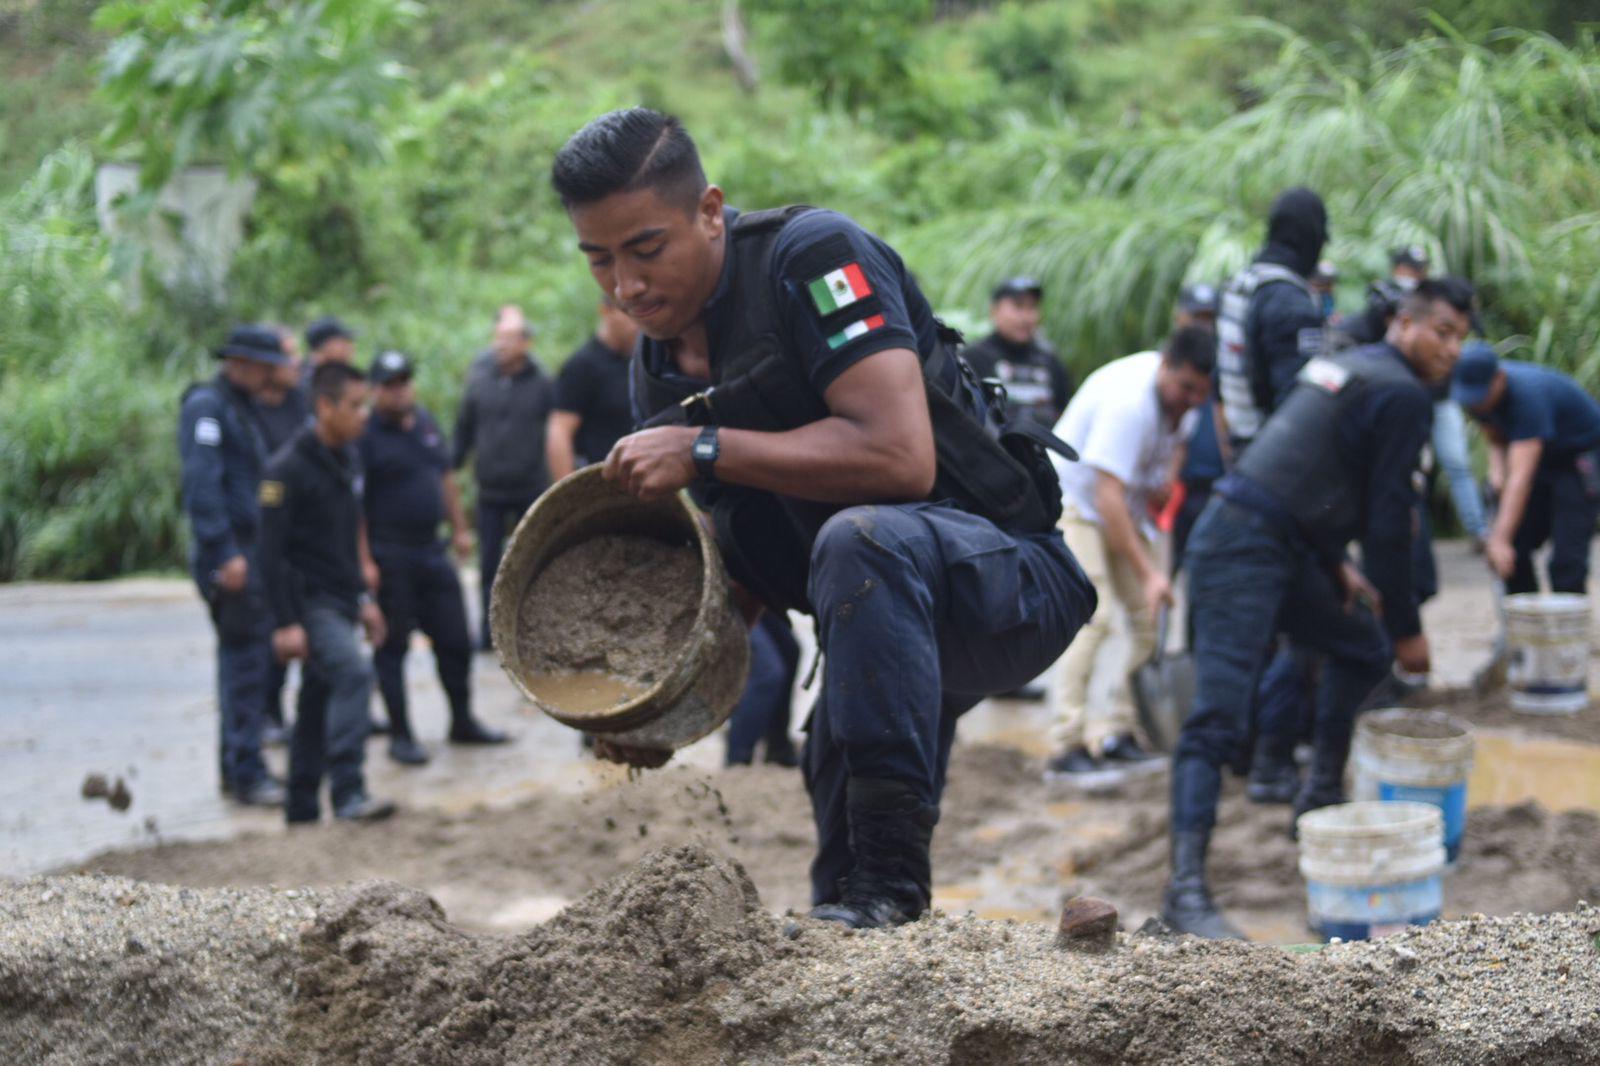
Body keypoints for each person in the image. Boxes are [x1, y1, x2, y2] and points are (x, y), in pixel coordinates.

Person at [552, 107, 1095, 929]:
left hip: (1007, 582)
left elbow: (900, 459)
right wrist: (660, 708)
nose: (625, 286)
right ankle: (869, 920)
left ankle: (891, 891)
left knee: (858, 541)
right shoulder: (657, 376)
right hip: (874, 628)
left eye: (647, 249)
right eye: (599, 260)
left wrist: (704, 448)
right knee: (839, 857)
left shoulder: (811, 260)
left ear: (709, 212)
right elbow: (738, 575)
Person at [1163, 277, 1475, 939]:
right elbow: (1389, 525)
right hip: (1240, 544)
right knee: (1217, 718)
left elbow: (1306, 468)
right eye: (1442, 332)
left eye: (1461, 339)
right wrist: (1408, 630)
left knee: (1360, 646)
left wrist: (1335, 564)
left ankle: (1318, 802)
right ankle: (1184, 892)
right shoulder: (1400, 392)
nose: (1451, 349)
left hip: (1290, 543)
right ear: (1405, 323)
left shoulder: (1353, 366)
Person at [1044, 327, 1215, 785]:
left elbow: (1179, 443)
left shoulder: (1185, 402)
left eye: (1201, 393)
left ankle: (1118, 731)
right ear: (1166, 365)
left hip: (1123, 505)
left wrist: (1167, 477)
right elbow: (1106, 497)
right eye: (1186, 388)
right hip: (1073, 502)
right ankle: (1066, 744)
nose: (1192, 400)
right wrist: (1150, 572)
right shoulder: (1128, 405)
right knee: (1092, 615)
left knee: (1148, 617)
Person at [259, 362, 396, 824]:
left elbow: (347, 538)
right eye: (355, 406)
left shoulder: (347, 459)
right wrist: (285, 623)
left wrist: (364, 599)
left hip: (341, 598)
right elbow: (268, 555)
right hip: (308, 602)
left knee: (318, 697)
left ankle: (301, 806)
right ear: (324, 406)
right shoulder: (285, 470)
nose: (364, 415)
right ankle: (348, 791)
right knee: (353, 676)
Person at [358, 351, 511, 765]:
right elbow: (354, 504)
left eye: (403, 382)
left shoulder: (423, 422)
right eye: (389, 385)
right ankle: (401, 735)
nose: (398, 391)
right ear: (374, 391)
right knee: (393, 646)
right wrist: (365, 561)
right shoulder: (365, 434)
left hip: (432, 549)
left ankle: (462, 720)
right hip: (390, 553)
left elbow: (445, 476)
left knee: (455, 640)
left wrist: (459, 528)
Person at [178, 324, 290, 808]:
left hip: (249, 551)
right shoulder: (208, 407)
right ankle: (246, 772)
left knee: (248, 661)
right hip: (232, 556)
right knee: (245, 664)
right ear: (240, 363)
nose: (271, 377)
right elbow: (202, 487)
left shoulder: (240, 407)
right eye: (265, 368)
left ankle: (239, 766)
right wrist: (224, 553)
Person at [1453, 343, 1600, 594]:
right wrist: (1497, 472)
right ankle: (1523, 614)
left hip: (1578, 457)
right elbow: (1495, 436)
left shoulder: (1528, 397)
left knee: (1566, 559)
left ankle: (1568, 616)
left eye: (1479, 396)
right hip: (1541, 456)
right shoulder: (1478, 399)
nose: (1475, 405)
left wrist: (1499, 539)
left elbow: (1521, 478)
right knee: (1516, 547)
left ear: (1499, 379)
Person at [453, 307, 556, 649]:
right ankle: (489, 634)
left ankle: (533, 633)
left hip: (531, 487)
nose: (501, 345)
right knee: (489, 566)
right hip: (490, 491)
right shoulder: (480, 380)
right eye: (498, 338)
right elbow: (464, 427)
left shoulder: (542, 383)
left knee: (532, 559)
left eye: (509, 339)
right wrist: (451, 463)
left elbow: (557, 431)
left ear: (526, 343)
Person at [1215, 187, 1329, 452]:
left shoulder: (1239, 285)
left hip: (1240, 444)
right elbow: (1298, 402)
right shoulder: (1290, 301)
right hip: (1276, 453)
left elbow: (1219, 383)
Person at [253, 327, 313, 745]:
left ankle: (296, 717)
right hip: (265, 531)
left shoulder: (300, 403)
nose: (296, 364)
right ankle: (265, 712)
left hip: (301, 535)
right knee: (270, 625)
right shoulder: (246, 412)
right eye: (287, 356)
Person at [546, 296, 641, 480]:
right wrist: (568, 490)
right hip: (598, 482)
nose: (636, 323)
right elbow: (559, 431)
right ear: (606, 311)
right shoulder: (582, 366)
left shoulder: (639, 362)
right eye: (629, 313)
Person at [961, 275, 1074, 428]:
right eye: (1018, 306)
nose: (1026, 317)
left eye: (1032, 307)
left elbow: (1066, 414)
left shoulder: (1050, 360)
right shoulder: (973, 358)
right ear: (994, 310)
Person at [1169, 283, 1225, 570]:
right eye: (1196, 317)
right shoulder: (1166, 370)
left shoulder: (1224, 368)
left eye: (1209, 318)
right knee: (1166, 564)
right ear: (1180, 317)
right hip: (1177, 488)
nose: (1204, 326)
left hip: (1215, 487)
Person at [723, 611, 801, 767]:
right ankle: (738, 758)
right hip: (728, 602)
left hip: (760, 602)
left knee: (790, 650)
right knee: (768, 673)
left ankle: (778, 749)